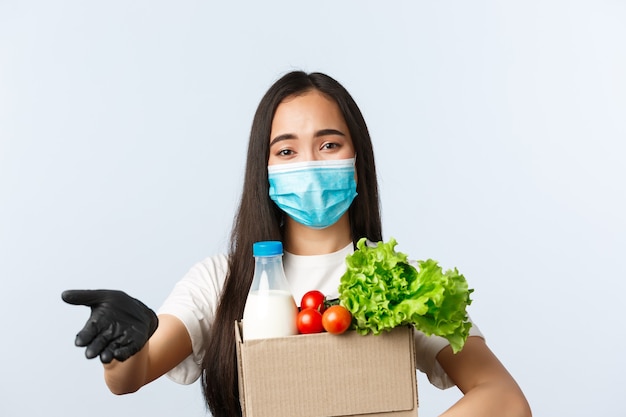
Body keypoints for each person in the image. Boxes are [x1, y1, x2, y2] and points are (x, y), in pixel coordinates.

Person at [62, 71, 532, 417]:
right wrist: (123, 348)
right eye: (286, 151)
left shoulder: (400, 284)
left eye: (328, 145)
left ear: (357, 160)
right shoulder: (221, 280)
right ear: (263, 171)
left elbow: (505, 399)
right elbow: (130, 379)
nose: (308, 162)